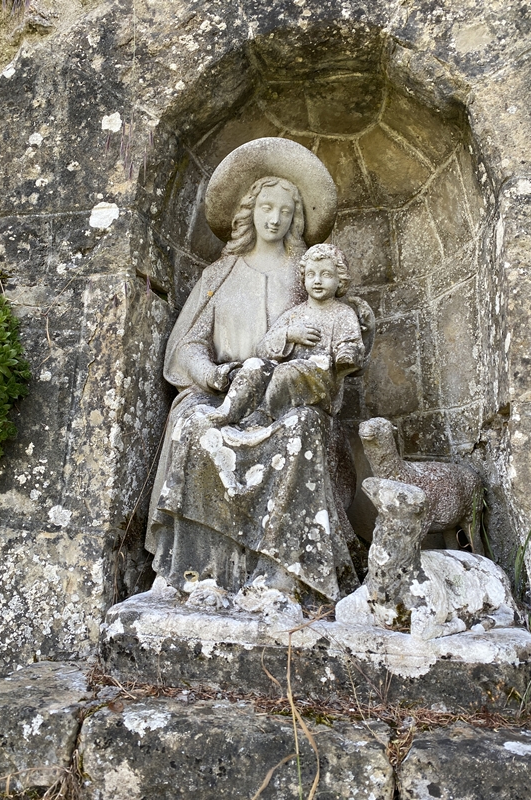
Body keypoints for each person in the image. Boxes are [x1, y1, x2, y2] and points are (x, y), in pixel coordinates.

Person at [145, 138, 373, 604]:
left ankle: (282, 577)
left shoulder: (307, 274)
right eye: (266, 208)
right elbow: (187, 345)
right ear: (248, 212)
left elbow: (339, 327)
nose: (275, 219)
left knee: (303, 428)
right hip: (220, 390)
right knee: (193, 425)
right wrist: (210, 374)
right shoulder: (219, 274)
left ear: (297, 219)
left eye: (286, 212)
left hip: (283, 396)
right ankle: (199, 570)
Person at [210, 244, 365, 425]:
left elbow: (350, 347)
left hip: (322, 381)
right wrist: (289, 335)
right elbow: (262, 349)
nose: (317, 281)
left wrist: (346, 354)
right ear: (303, 278)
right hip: (287, 371)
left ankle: (263, 414)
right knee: (254, 364)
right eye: (311, 274)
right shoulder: (294, 314)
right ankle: (229, 409)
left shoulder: (343, 313)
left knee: (287, 371)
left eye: (326, 275)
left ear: (340, 280)